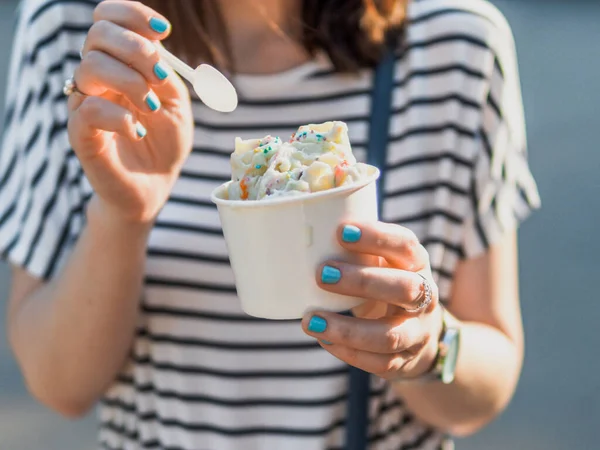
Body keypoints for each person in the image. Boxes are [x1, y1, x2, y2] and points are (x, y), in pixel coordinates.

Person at [0, 0, 541, 448]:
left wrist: (426, 347)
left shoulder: (458, 45)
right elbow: (60, 384)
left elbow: (486, 384)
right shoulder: (83, 36)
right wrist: (123, 216)